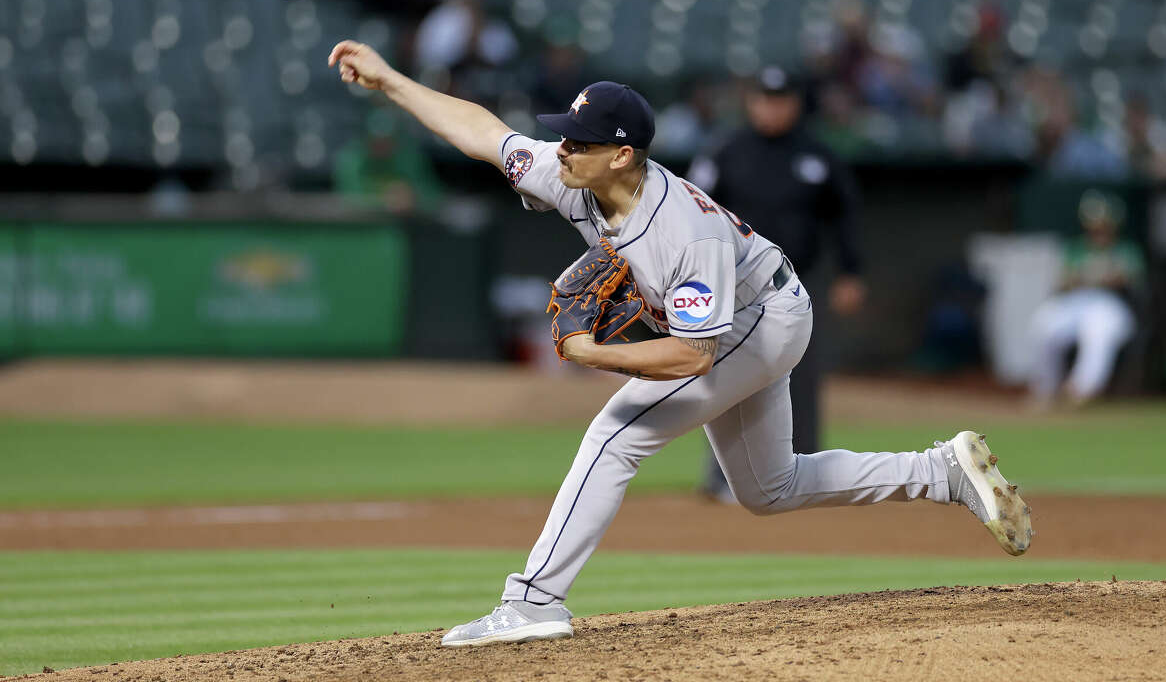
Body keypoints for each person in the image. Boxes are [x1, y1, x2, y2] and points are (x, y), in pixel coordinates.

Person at [327, 40, 1032, 648]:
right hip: (751, 316)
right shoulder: (576, 177)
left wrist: (589, 355)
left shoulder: (680, 235)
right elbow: (483, 132)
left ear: (622, 154)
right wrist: (389, 80)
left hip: (764, 318)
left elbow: (691, 358)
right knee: (768, 488)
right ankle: (940, 472)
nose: (561, 149)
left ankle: (533, 601)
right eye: (564, 137)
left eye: (578, 141)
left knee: (614, 435)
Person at [688, 67, 866, 499]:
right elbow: (693, 211)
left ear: (795, 103)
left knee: (800, 377)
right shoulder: (726, 153)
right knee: (728, 374)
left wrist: (851, 271)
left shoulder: (818, 156)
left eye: (780, 99)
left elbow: (846, 215)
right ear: (752, 102)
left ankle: (805, 471)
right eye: (764, 98)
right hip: (734, 285)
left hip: (797, 284)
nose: (772, 107)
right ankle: (725, 476)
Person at [1027, 191, 1146, 407]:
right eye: (1094, 223)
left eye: (1103, 223)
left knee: (1098, 331)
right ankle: (1045, 389)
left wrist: (1097, 277)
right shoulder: (1076, 248)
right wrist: (1086, 277)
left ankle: (1080, 390)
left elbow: (1127, 278)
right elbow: (1064, 281)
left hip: (1111, 304)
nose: (1099, 228)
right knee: (1043, 325)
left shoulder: (1126, 249)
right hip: (1076, 301)